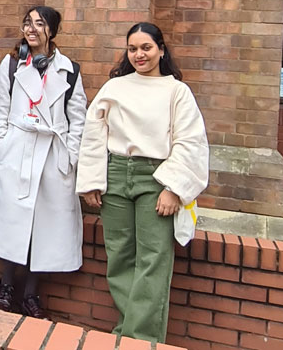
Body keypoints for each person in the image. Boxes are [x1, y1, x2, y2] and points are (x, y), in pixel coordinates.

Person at [77, 22, 209, 343]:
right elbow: (94, 135)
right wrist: (92, 180)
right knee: (120, 257)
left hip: (156, 178)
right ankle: (130, 335)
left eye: (146, 47)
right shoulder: (114, 88)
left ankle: (138, 338)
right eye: (133, 48)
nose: (139, 54)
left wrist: (174, 188)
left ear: (161, 50)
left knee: (153, 259)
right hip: (115, 176)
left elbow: (190, 141)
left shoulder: (176, 91)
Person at [0, 6, 87, 317]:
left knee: (45, 227)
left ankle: (32, 293)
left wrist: (70, 156)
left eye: (40, 23)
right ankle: (6, 286)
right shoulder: (11, 65)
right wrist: (1, 146)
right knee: (14, 222)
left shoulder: (70, 70)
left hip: (53, 156)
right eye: (27, 23)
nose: (32, 29)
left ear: (53, 31)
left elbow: (78, 119)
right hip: (17, 151)